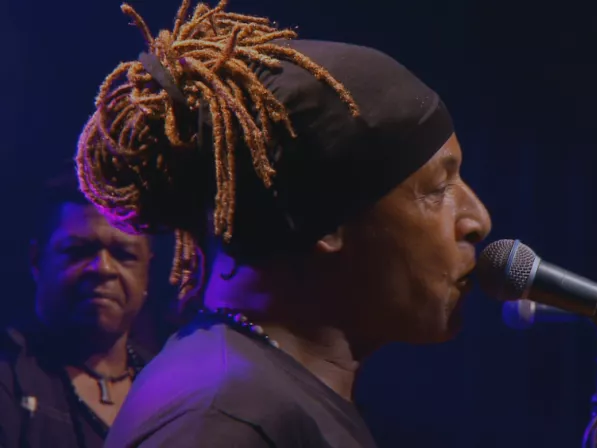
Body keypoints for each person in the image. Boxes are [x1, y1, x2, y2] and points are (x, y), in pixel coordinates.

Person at [75, 1, 492, 446]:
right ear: (326, 218)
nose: (478, 220)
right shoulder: (219, 422)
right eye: (437, 189)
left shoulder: (267, 397)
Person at [0, 170, 154, 448]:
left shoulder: (168, 386)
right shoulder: (8, 373)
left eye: (124, 255)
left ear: (147, 271)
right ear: (36, 260)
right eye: (78, 250)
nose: (103, 268)